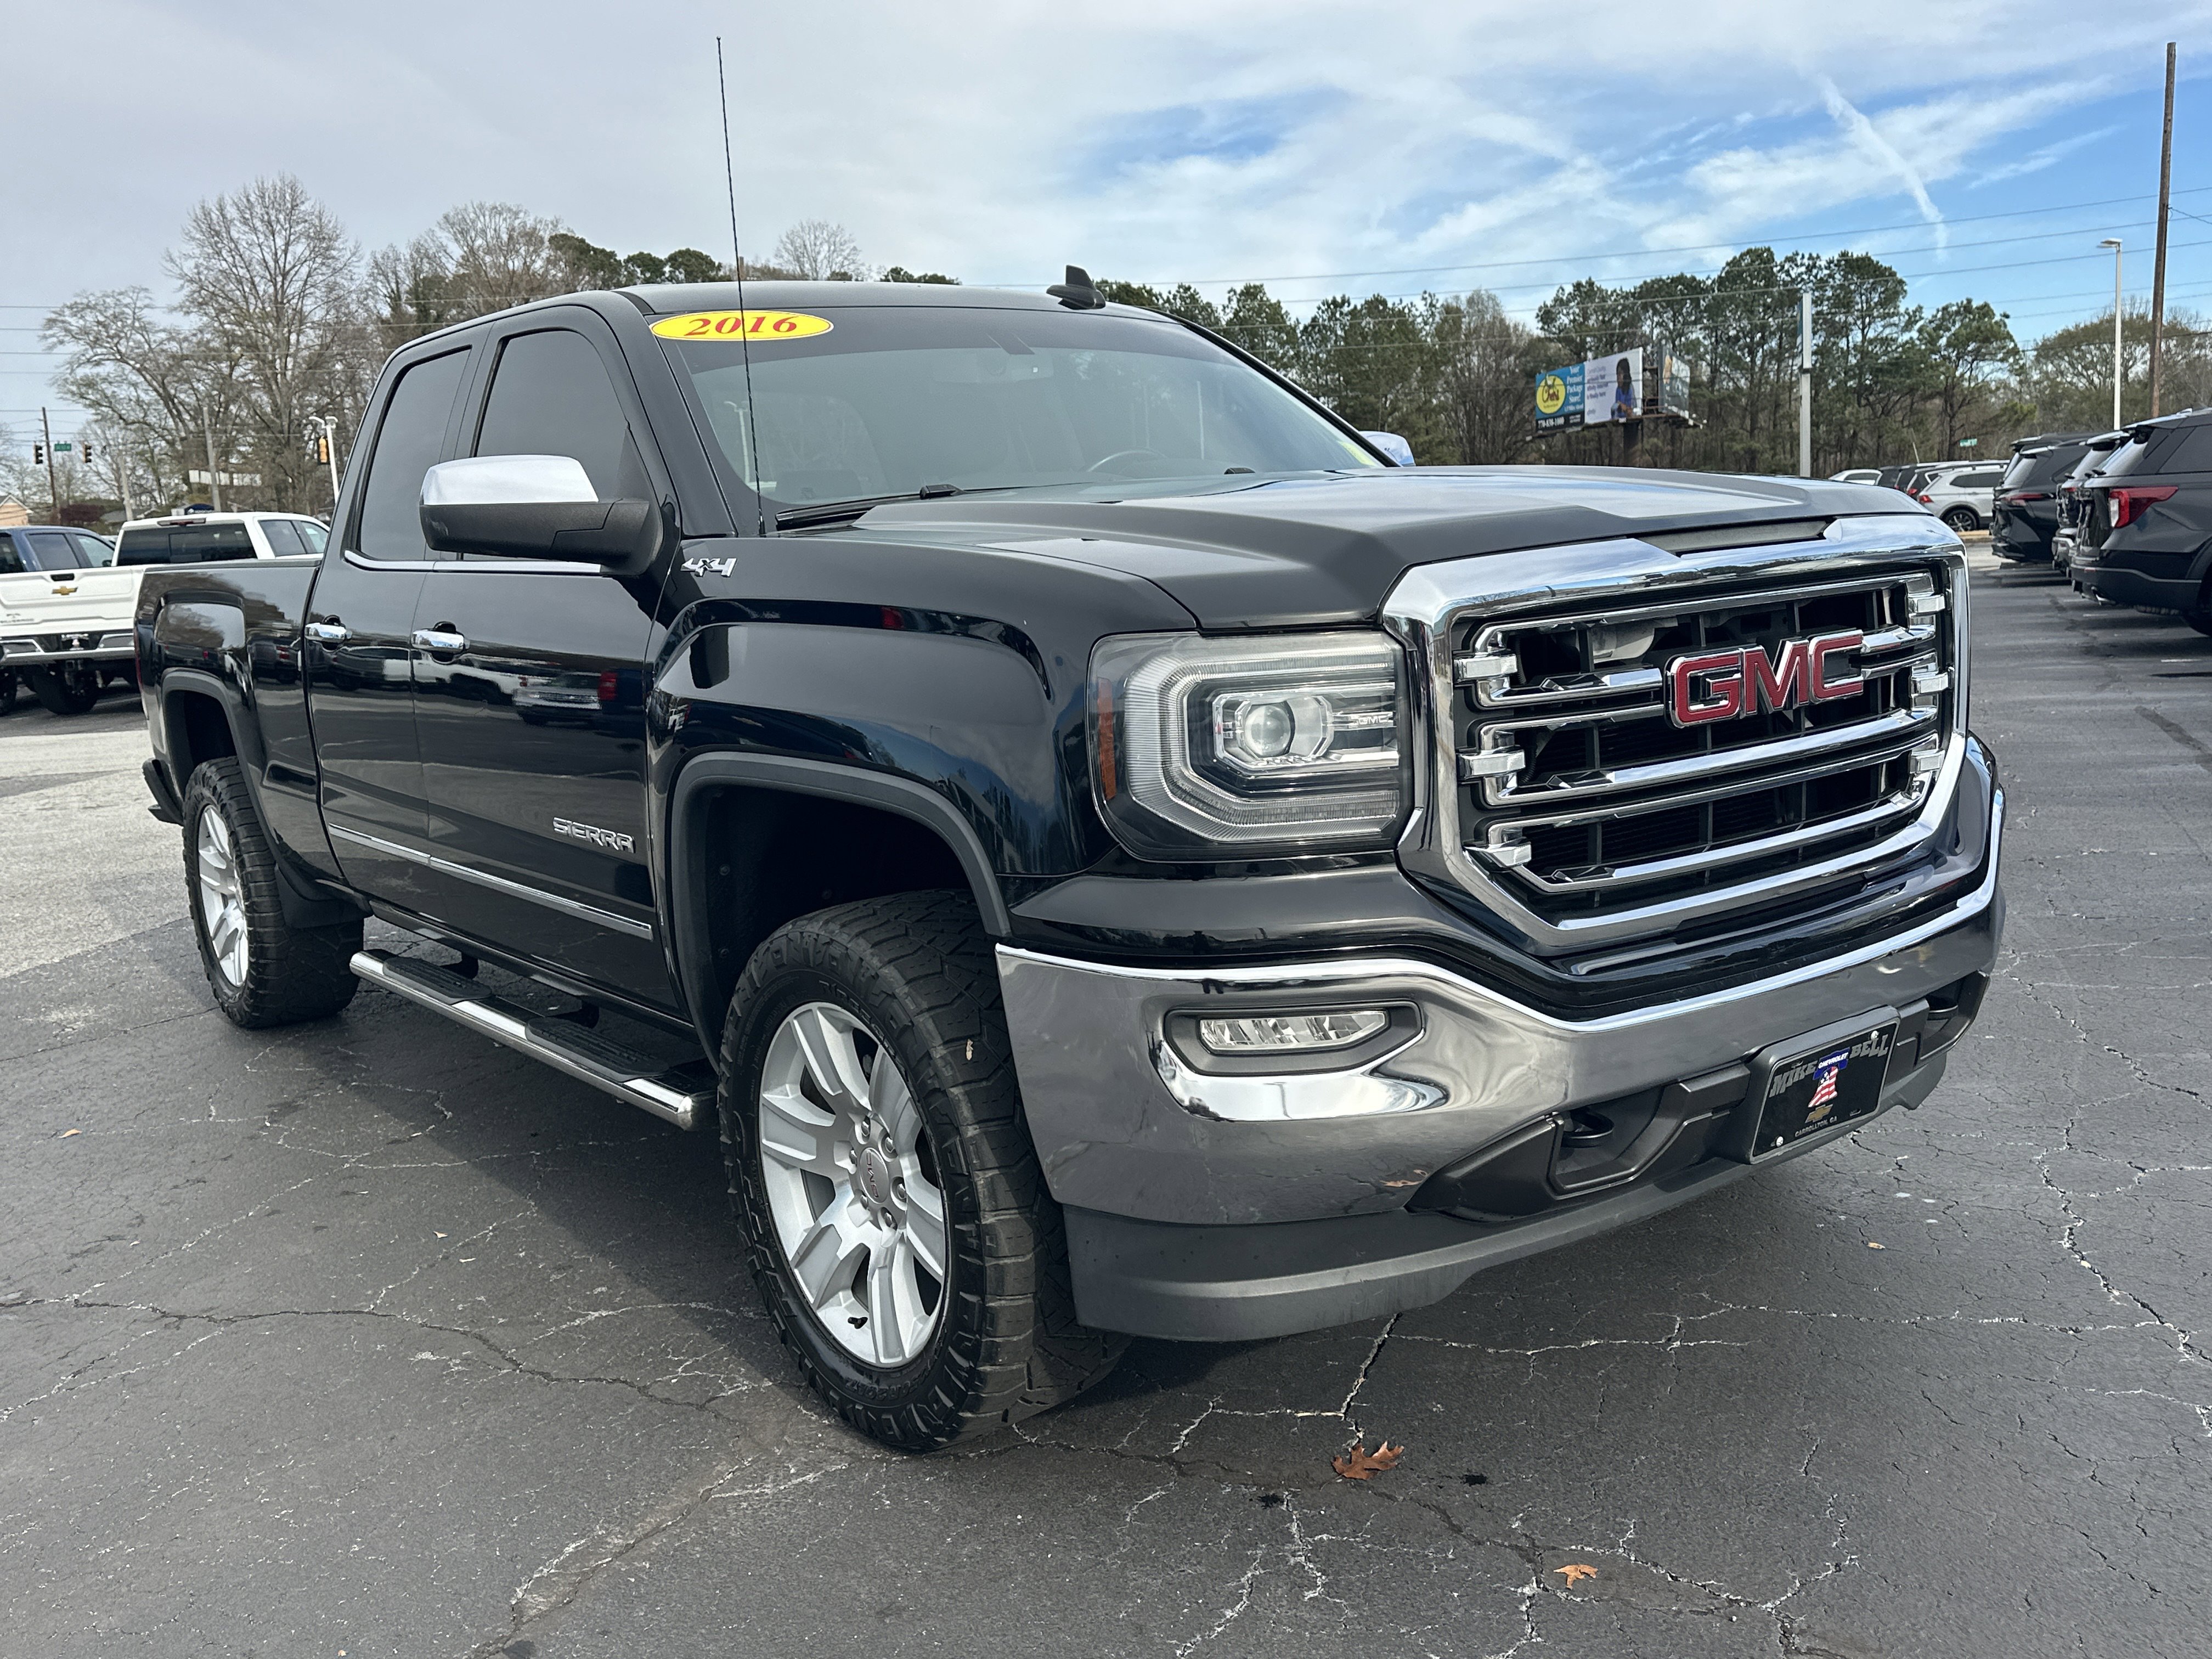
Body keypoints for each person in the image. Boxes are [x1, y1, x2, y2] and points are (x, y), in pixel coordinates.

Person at [1612, 356, 1637, 423]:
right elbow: (1615, 407)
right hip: (1620, 421)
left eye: (1620, 374)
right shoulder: (1618, 389)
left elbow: (1632, 409)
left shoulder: (1630, 388)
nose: (1618, 377)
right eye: (1617, 374)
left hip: (1631, 421)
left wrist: (1624, 407)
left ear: (1625, 374)